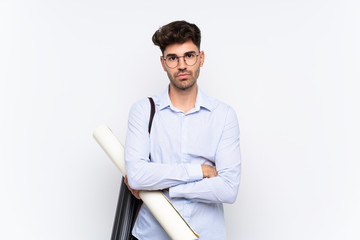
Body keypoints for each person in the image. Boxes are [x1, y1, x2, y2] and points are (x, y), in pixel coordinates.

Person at [124, 20, 241, 240]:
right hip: (151, 235)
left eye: (189, 55)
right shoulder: (143, 111)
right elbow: (137, 176)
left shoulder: (223, 115)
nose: (182, 65)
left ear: (201, 58)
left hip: (205, 235)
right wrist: (201, 171)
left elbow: (228, 188)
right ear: (163, 62)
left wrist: (166, 189)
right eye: (173, 58)